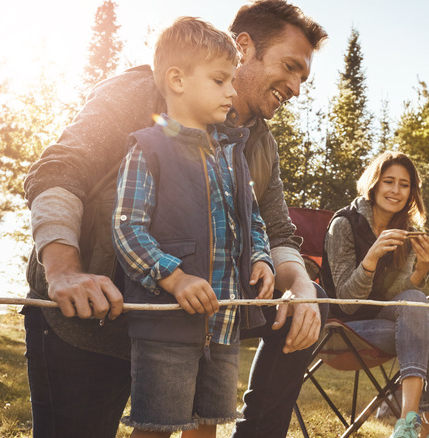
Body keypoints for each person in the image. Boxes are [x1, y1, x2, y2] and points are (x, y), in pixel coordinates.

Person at [22, 1, 328, 437]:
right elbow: (60, 169)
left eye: (304, 77)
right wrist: (64, 270)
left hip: (189, 328)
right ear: (244, 48)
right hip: (91, 322)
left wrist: (299, 285)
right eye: (291, 66)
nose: (297, 88)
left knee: (308, 295)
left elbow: (275, 229)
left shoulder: (258, 144)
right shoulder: (141, 92)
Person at [110, 17, 274, 438]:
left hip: (223, 323)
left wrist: (260, 257)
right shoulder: (149, 148)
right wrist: (175, 276)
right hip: (167, 325)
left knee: (207, 426)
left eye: (233, 81)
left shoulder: (232, 152)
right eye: (221, 80)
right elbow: (128, 231)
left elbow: (252, 218)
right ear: (177, 80)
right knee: (158, 426)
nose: (233, 91)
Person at [320, 151, 429, 438]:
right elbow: (347, 304)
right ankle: (424, 427)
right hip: (344, 329)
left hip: (383, 322)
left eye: (404, 185)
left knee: (420, 305)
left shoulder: (403, 231)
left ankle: (410, 424)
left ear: (412, 192)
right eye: (389, 181)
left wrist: (421, 270)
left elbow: (394, 294)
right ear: (374, 184)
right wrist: (371, 258)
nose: (396, 190)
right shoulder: (344, 225)